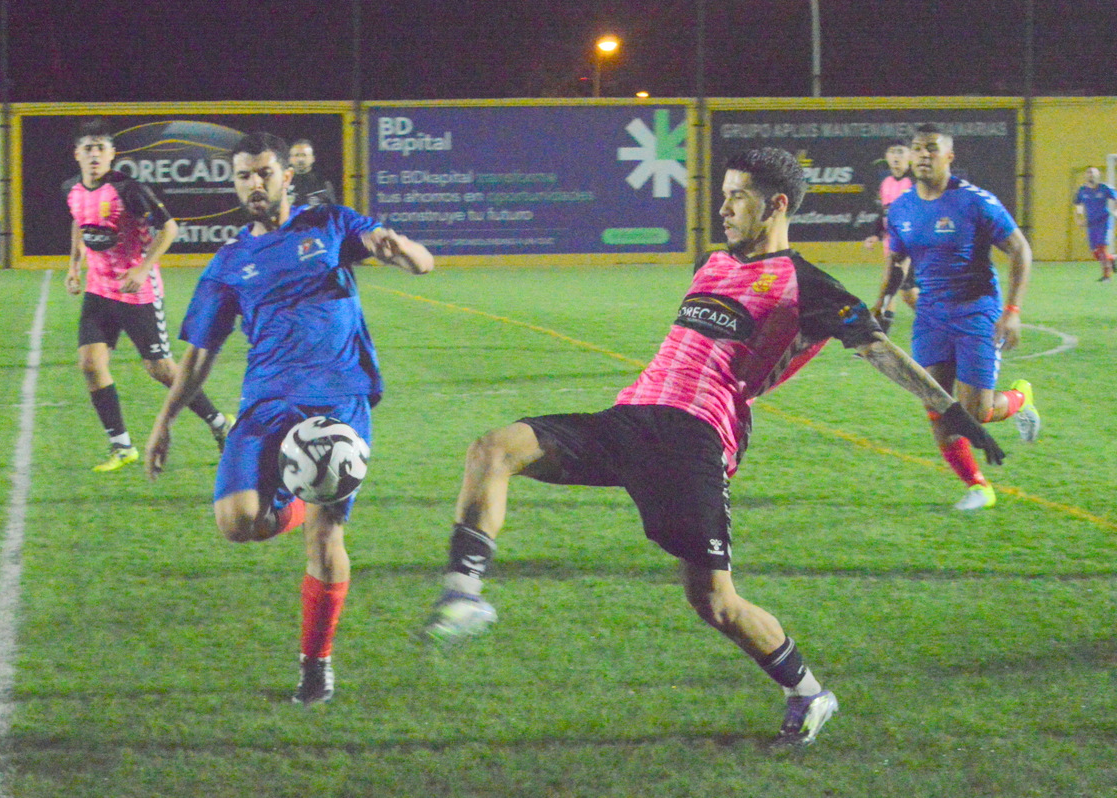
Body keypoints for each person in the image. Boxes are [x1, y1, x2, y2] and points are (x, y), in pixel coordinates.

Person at [420, 147, 1005, 748]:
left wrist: (954, 410)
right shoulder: (711, 263)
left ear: (775, 205)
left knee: (714, 602)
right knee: (493, 449)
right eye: (723, 193)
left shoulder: (807, 285)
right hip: (631, 417)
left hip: (696, 438)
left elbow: (881, 351)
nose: (722, 207)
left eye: (737, 196)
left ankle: (808, 693)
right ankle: (463, 596)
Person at [145, 132, 434, 706]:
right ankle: (296, 503)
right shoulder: (229, 262)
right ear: (236, 184)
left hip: (337, 403)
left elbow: (412, 259)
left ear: (286, 177)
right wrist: (164, 421)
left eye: (264, 173)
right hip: (266, 403)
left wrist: (402, 251)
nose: (255, 184)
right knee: (236, 522)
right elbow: (201, 355)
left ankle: (316, 665)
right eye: (244, 176)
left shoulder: (328, 223)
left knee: (328, 539)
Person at [873, 123, 1039, 512]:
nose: (923, 155)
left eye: (932, 148)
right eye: (918, 148)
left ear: (950, 156)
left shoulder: (976, 202)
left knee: (976, 411)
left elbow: (1020, 250)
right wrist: (881, 301)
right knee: (936, 404)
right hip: (930, 317)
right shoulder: (901, 208)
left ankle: (1020, 397)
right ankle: (978, 486)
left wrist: (1012, 312)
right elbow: (896, 261)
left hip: (976, 311)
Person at [64, 117, 230, 473]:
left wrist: (142, 269)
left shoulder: (128, 189)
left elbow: (169, 228)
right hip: (99, 290)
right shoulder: (73, 190)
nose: (94, 154)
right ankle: (122, 446)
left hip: (137, 293)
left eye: (101, 148)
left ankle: (220, 424)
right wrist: (73, 266)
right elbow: (79, 222)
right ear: (77, 154)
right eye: (88, 148)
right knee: (91, 364)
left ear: (112, 154)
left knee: (162, 370)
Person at [864, 140, 916, 332]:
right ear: (886, 157)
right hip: (892, 246)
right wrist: (875, 235)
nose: (896, 157)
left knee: (889, 290)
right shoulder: (885, 183)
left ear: (910, 156)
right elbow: (884, 214)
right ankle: (940, 327)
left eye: (901, 152)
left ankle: (879, 338)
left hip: (910, 248)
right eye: (893, 152)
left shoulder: (915, 182)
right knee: (907, 294)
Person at [1072, 166, 1117, 282]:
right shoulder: (1082, 190)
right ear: (1086, 175)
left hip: (1104, 221)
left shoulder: (1105, 188)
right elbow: (1078, 205)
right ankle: (1112, 259)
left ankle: (1107, 276)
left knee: (1101, 248)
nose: (1090, 175)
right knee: (1095, 252)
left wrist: (1115, 211)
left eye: (1093, 173)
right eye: (1088, 173)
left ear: (1098, 175)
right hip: (1091, 224)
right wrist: (1079, 217)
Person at [288, 139, 336, 207]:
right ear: (289, 159)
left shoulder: (323, 184)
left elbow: (332, 212)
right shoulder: (282, 184)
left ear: (313, 158)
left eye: (304, 155)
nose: (300, 159)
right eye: (296, 155)